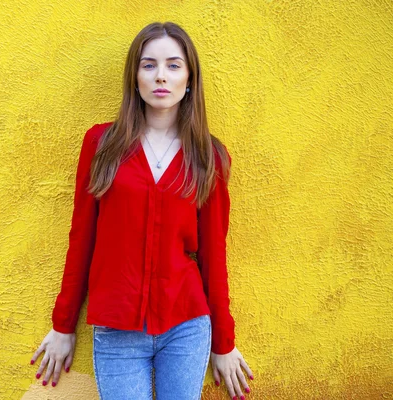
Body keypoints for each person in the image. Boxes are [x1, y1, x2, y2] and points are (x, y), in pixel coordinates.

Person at [30, 21, 253, 400]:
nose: (160, 76)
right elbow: (82, 237)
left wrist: (224, 342)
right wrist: (63, 325)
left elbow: (214, 253)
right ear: (134, 77)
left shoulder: (208, 156)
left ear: (189, 79)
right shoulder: (102, 144)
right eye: (148, 65)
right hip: (117, 331)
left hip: (186, 326)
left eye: (173, 65)